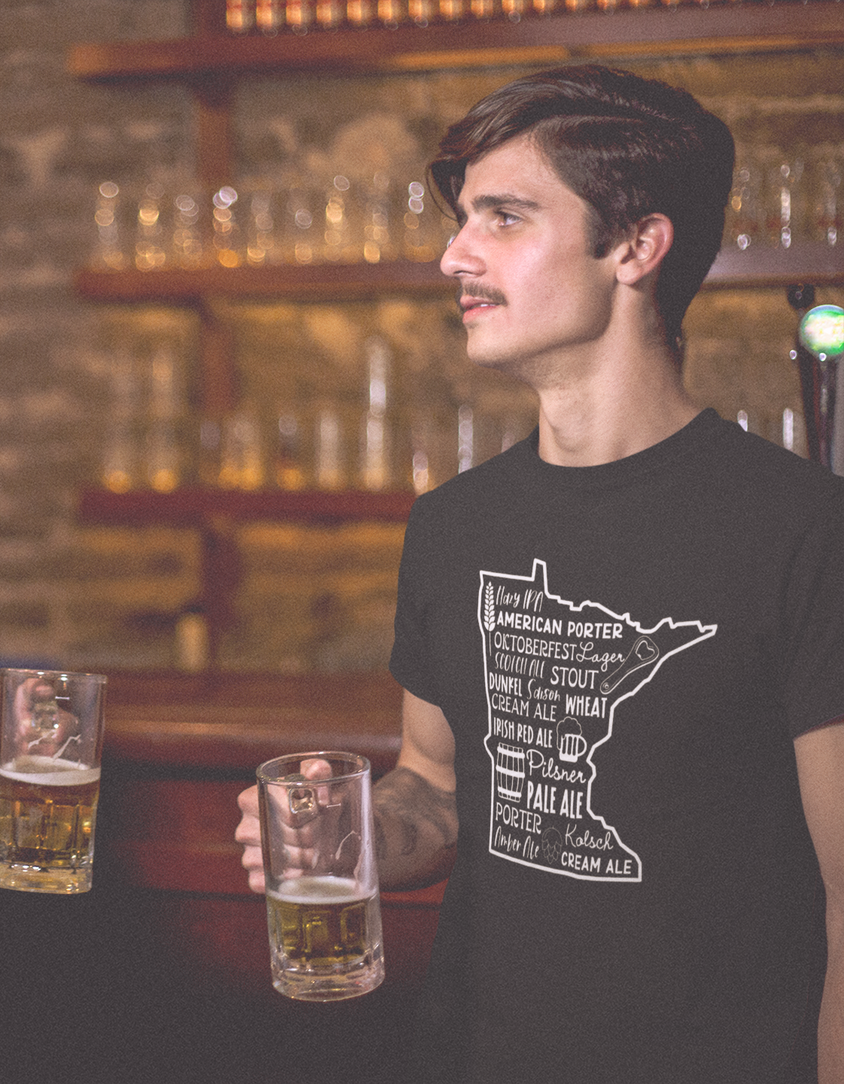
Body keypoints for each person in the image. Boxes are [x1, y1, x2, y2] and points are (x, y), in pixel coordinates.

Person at [236, 64, 844, 1082]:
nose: (452, 255)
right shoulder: (448, 527)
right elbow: (436, 785)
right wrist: (363, 835)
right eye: (461, 218)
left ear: (635, 246)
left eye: (503, 217)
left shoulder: (799, 528)